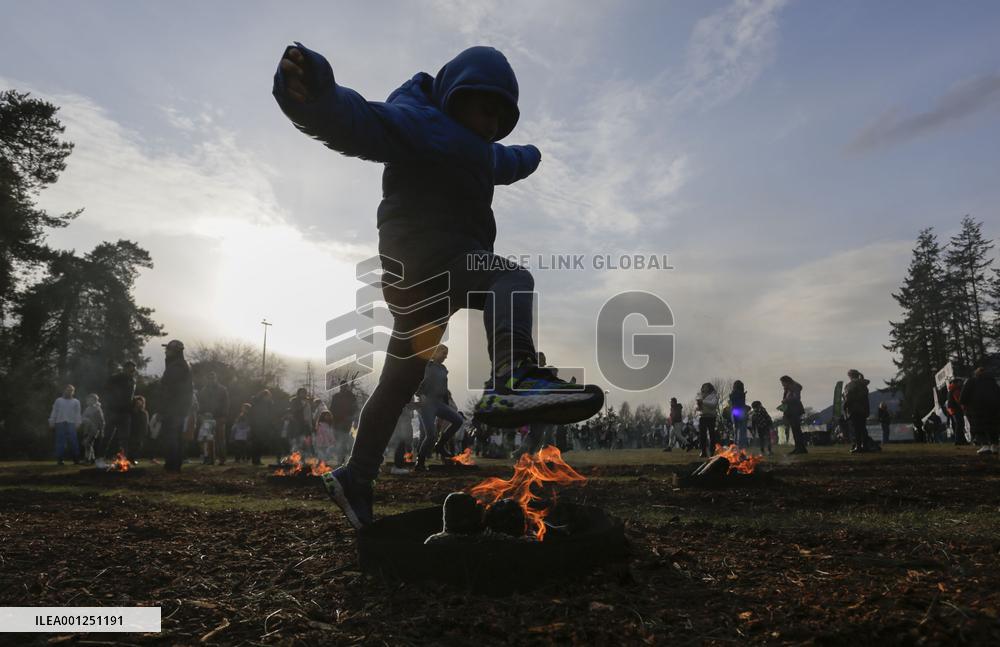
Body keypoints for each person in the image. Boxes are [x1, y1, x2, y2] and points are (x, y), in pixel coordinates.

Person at [273, 42, 605, 529]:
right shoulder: (419, 120)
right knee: (510, 276)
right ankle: (512, 376)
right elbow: (360, 121)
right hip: (433, 259)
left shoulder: (478, 147)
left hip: (418, 285)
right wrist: (316, 98)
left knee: (400, 378)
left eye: (500, 117)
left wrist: (528, 156)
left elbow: (499, 160)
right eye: (484, 109)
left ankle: (357, 476)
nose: (491, 123)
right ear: (456, 94)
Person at [415, 345, 465, 469]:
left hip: (439, 403)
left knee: (458, 420)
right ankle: (420, 462)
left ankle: (440, 445)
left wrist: (446, 409)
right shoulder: (426, 366)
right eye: (443, 353)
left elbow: (444, 390)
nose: (445, 356)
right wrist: (420, 395)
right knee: (430, 435)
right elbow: (417, 381)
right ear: (435, 353)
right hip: (426, 404)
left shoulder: (443, 369)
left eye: (446, 354)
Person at [160, 340, 193, 472]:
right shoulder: (179, 365)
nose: (166, 352)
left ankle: (172, 464)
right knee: (175, 436)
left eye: (168, 350)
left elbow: (170, 389)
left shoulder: (177, 367)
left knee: (172, 436)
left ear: (175, 351)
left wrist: (164, 407)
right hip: (178, 407)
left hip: (174, 407)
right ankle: (173, 463)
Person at [961, 367, 1000, 455]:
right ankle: (995, 446)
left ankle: (985, 446)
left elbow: (963, 396)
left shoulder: (972, 381)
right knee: (993, 427)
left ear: (976, 373)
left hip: (976, 409)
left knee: (979, 427)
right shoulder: (993, 382)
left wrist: (965, 404)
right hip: (994, 408)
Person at [103, 361, 137, 459]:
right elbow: (106, 390)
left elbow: (130, 396)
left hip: (126, 412)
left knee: (125, 438)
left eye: (134, 370)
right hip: (113, 411)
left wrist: (133, 403)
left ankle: (123, 459)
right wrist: (111, 403)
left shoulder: (132, 380)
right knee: (108, 435)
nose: (133, 371)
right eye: (131, 369)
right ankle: (100, 457)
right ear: (125, 368)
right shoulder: (115, 378)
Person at [198, 371, 230, 465]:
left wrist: (224, 416)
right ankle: (210, 459)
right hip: (207, 418)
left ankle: (222, 459)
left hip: (219, 417)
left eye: (212, 377)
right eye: (209, 378)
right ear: (206, 379)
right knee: (208, 439)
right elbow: (201, 404)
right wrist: (201, 415)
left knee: (220, 439)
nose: (211, 379)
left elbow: (226, 404)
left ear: (216, 378)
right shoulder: (203, 390)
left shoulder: (223, 389)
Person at [48, 385, 81, 465]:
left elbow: (77, 414)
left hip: (71, 423)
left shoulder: (76, 401)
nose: (69, 391)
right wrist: (51, 422)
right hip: (60, 423)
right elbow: (54, 411)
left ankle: (76, 459)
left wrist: (78, 423)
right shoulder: (58, 400)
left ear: (73, 392)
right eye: (67, 390)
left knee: (74, 442)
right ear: (64, 390)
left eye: (71, 390)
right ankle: (60, 460)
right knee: (60, 442)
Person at [329, 380, 358, 464]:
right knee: (340, 441)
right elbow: (332, 409)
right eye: (342, 386)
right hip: (337, 421)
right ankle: (341, 460)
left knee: (343, 441)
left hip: (347, 422)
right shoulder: (336, 396)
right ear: (340, 387)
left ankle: (342, 460)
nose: (343, 387)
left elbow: (355, 409)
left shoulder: (351, 396)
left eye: (345, 386)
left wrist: (355, 420)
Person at [843, 369, 872, 453]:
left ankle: (858, 446)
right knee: (863, 428)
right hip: (864, 409)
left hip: (854, 409)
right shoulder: (863, 385)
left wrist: (844, 406)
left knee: (856, 429)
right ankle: (865, 446)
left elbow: (848, 397)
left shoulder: (851, 385)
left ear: (850, 376)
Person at [779, 375, 807, 454]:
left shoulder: (795, 388)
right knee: (795, 431)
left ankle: (800, 449)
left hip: (795, 410)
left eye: (783, 383)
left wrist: (786, 400)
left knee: (797, 430)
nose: (782, 384)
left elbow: (796, 398)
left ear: (787, 381)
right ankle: (798, 448)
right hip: (790, 411)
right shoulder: (788, 389)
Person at [247, 389, 274, 466]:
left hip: (262, 426)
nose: (269, 398)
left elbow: (268, 415)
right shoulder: (257, 403)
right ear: (264, 396)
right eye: (267, 396)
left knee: (259, 443)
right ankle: (256, 459)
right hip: (257, 426)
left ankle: (257, 459)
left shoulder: (266, 404)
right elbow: (254, 414)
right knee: (257, 443)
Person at [78, 393, 105, 464]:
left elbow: (101, 420)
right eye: (88, 399)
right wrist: (85, 420)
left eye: (90, 400)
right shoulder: (87, 409)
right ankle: (92, 459)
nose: (88, 401)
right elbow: (82, 417)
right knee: (88, 444)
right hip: (87, 429)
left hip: (94, 429)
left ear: (94, 400)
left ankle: (87, 459)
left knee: (87, 443)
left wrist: (101, 430)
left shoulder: (97, 409)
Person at [696, 383, 719, 458]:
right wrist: (698, 407)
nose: (704, 388)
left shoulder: (714, 395)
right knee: (702, 435)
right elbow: (696, 407)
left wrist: (703, 402)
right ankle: (703, 451)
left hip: (711, 417)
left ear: (709, 387)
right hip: (702, 416)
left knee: (712, 434)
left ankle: (712, 450)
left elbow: (713, 404)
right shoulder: (700, 395)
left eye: (705, 387)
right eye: (703, 387)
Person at [288, 388, 313, 455]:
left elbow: (309, 413)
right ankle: (295, 457)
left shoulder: (307, 401)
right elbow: (294, 411)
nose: (304, 394)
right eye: (302, 392)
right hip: (298, 424)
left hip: (307, 424)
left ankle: (303, 458)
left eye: (305, 392)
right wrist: (304, 406)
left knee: (305, 441)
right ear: (298, 393)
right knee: (297, 441)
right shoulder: (295, 400)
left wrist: (310, 424)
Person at [729, 380, 749, 449]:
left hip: (735, 411)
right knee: (742, 429)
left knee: (736, 429)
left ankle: (735, 444)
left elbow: (732, 404)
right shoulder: (741, 394)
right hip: (741, 411)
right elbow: (741, 404)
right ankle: (742, 445)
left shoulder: (732, 394)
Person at [947, 378, 967, 445]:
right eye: (960, 382)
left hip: (953, 410)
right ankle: (958, 440)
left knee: (959, 424)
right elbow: (958, 400)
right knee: (960, 424)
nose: (961, 383)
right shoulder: (955, 389)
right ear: (957, 383)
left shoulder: (951, 389)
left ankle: (961, 440)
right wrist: (963, 408)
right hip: (956, 409)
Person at [130, 395, 149, 462]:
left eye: (140, 402)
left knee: (137, 447)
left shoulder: (144, 413)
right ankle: (128, 459)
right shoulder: (131, 412)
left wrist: (144, 433)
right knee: (130, 446)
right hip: (131, 431)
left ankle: (133, 459)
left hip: (139, 433)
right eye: (137, 402)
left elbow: (145, 424)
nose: (138, 404)